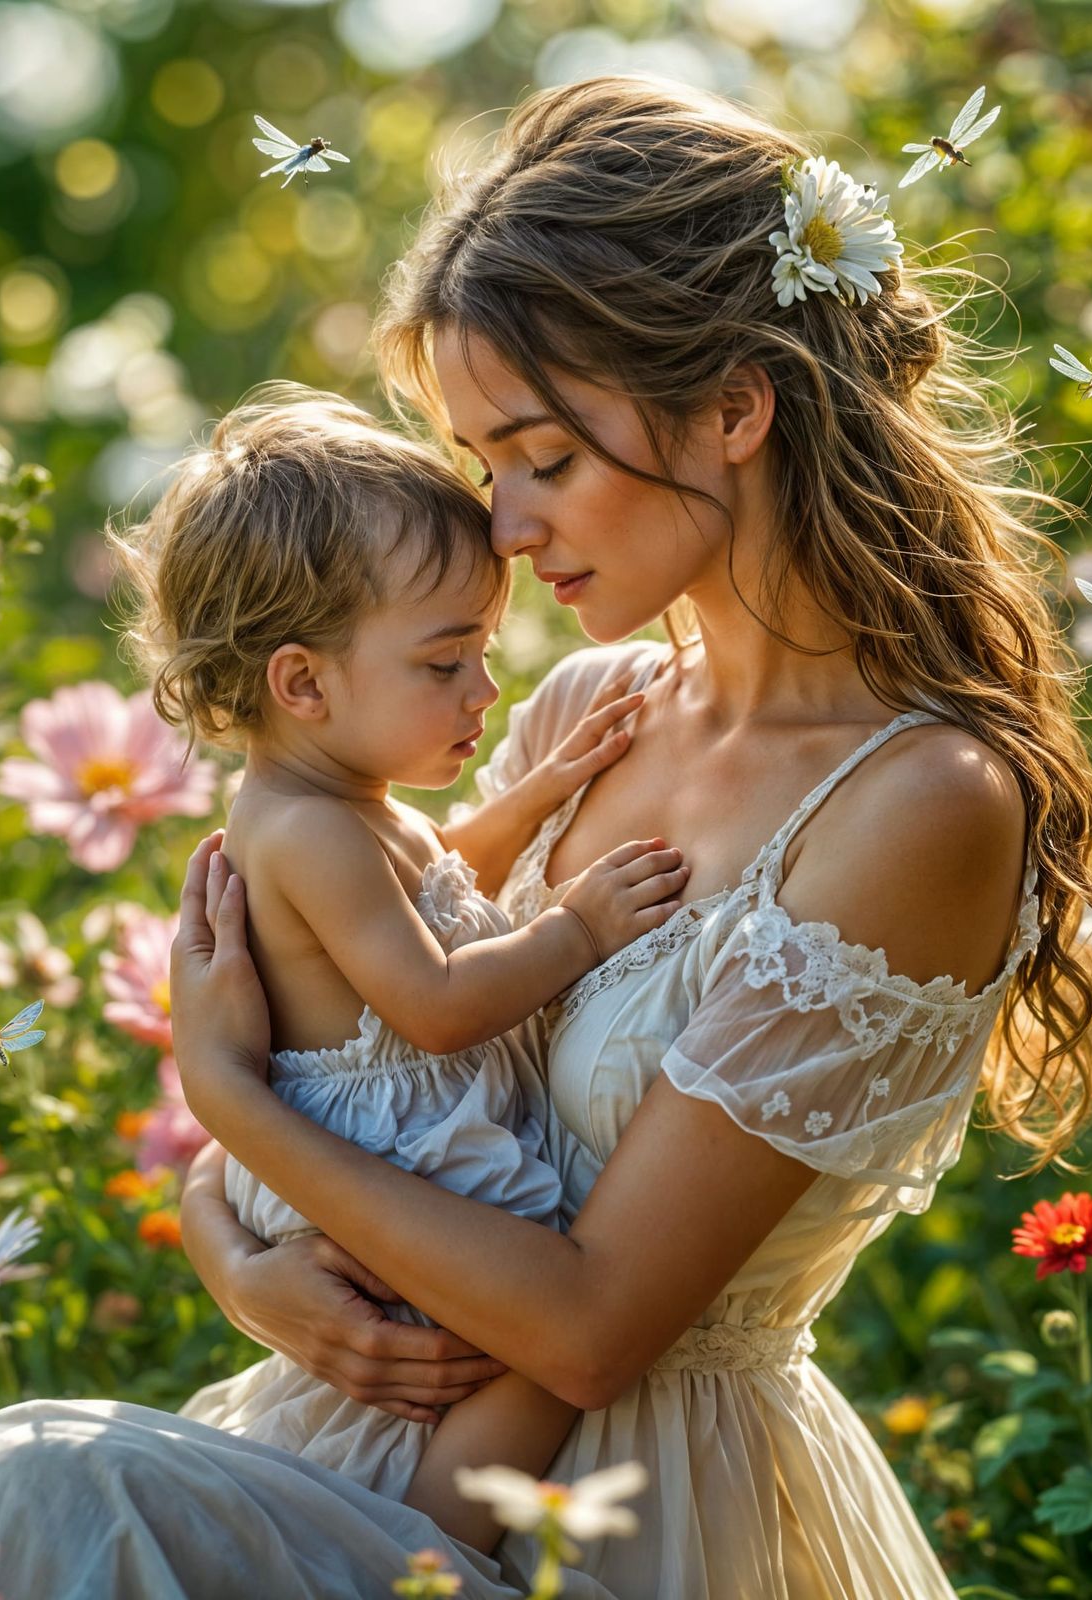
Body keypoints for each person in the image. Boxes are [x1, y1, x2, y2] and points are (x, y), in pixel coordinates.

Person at [0, 75, 1092, 1599]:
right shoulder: (589, 708)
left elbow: (593, 1325)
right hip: (360, 1450)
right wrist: (233, 1256)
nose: (501, 526)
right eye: (485, 464)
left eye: (543, 458)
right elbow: (369, 1071)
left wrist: (223, 1098)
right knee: (22, 1503)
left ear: (735, 408)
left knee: (37, 1483)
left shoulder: (918, 803)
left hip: (640, 1512)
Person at [105, 384, 689, 1548]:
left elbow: (438, 885)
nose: (482, 692)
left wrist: (536, 790)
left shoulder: (337, 796)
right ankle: (421, 1553)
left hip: (379, 1140)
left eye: (483, 651)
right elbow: (429, 1000)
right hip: (396, 1148)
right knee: (527, 1356)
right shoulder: (310, 829)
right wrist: (576, 928)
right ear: (303, 682)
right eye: (444, 663)